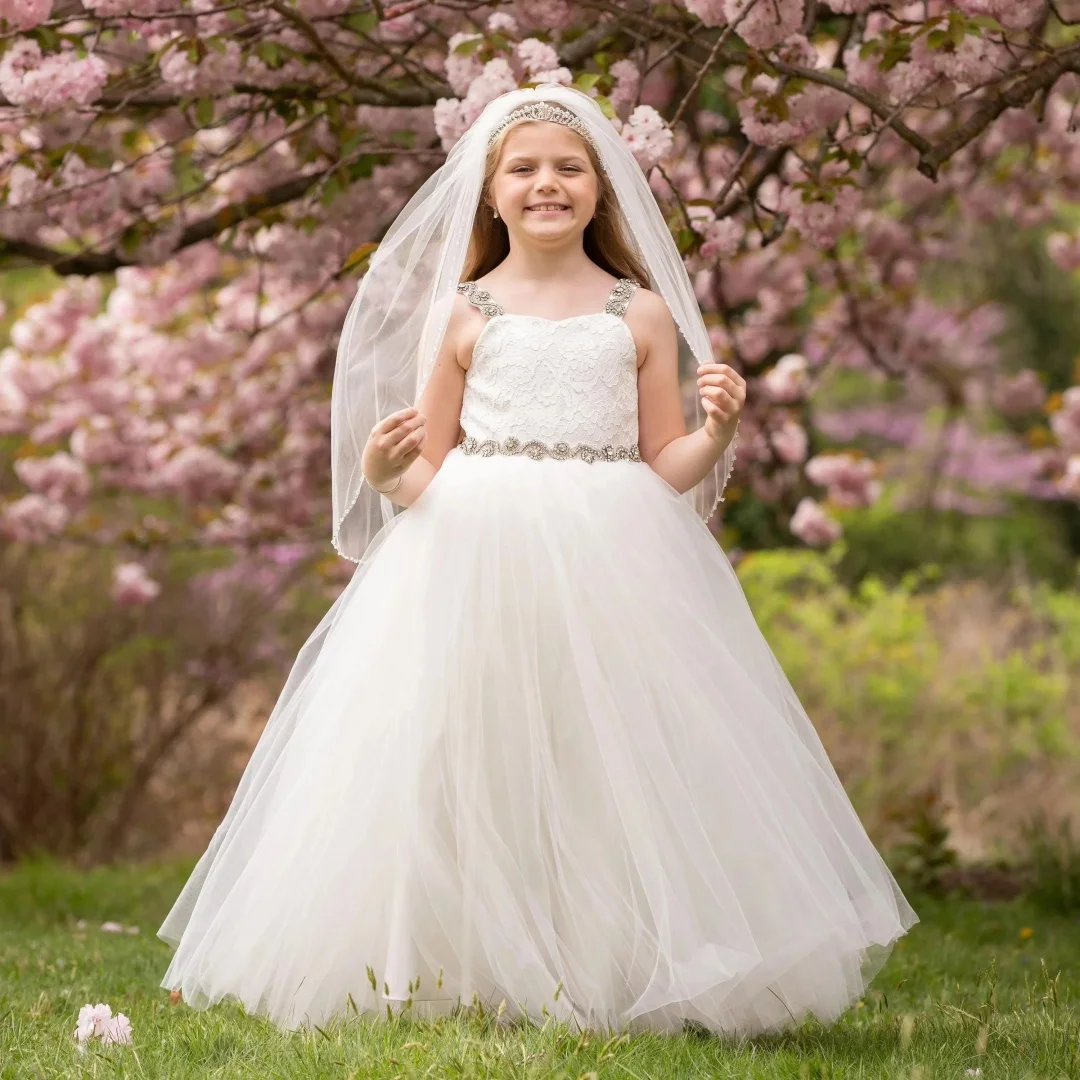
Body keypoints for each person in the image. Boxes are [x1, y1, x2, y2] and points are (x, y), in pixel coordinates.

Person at [157, 84, 918, 1040]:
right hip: (473, 548)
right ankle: (448, 958)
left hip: (616, 551)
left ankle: (610, 958)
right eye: (523, 169)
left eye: (568, 168)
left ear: (602, 191)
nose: (545, 184)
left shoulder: (637, 313)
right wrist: (384, 471)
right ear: (489, 191)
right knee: (458, 745)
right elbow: (423, 469)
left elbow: (666, 465)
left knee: (608, 748)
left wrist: (719, 431)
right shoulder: (465, 314)